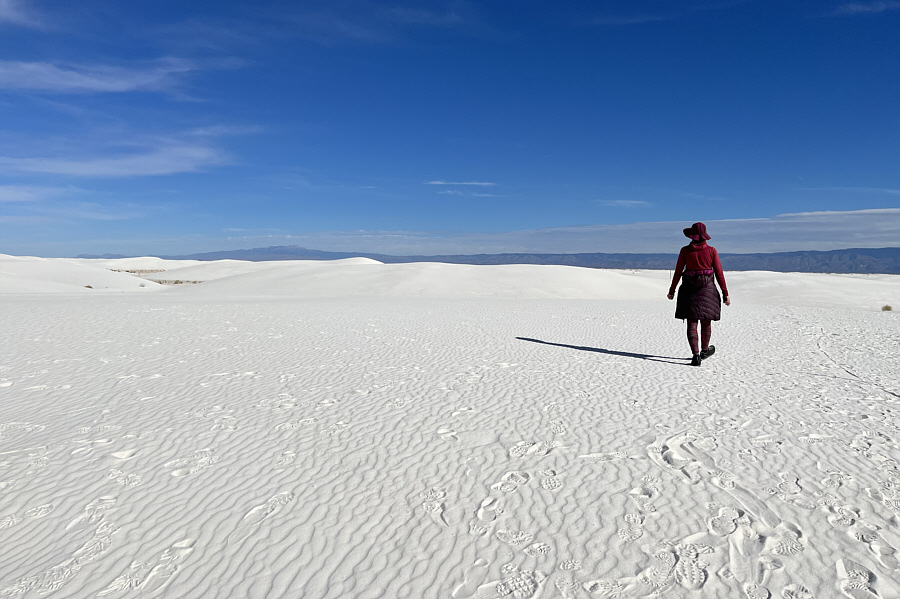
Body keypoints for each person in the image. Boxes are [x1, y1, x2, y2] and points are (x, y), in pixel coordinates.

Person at [667, 222, 730, 366]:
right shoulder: (712, 251)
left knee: (692, 322)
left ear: (692, 236)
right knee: (706, 321)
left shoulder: (685, 251)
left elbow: (677, 272)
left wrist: (672, 291)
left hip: (689, 289)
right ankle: (705, 350)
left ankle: (695, 355)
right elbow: (719, 274)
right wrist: (725, 294)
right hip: (707, 289)